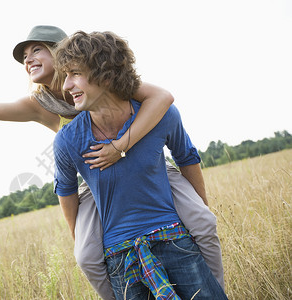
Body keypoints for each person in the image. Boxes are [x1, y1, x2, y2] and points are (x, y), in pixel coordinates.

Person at [0, 25, 223, 299]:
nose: (28, 58)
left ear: (62, 51)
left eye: (36, 49)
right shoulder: (41, 104)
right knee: (86, 256)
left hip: (147, 166)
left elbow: (162, 98)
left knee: (202, 221)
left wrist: (120, 145)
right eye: (23, 55)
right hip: (94, 186)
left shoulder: (102, 78)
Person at [53, 31, 227, 299]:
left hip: (175, 240)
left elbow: (187, 158)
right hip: (119, 257)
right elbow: (67, 194)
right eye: (66, 76)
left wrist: (199, 213)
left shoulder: (162, 114)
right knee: (84, 257)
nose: (67, 86)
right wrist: (86, 246)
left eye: (75, 74)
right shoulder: (67, 140)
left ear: (106, 75)